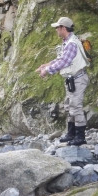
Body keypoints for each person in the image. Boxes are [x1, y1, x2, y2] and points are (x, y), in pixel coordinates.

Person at [35, 17, 90, 146]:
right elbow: (60, 58)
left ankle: (80, 137)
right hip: (71, 80)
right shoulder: (67, 41)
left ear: (63, 28)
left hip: (77, 79)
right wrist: (46, 65)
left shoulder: (71, 44)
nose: (56, 30)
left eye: (57, 28)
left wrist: (47, 70)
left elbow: (64, 62)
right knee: (69, 106)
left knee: (76, 106)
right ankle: (71, 134)